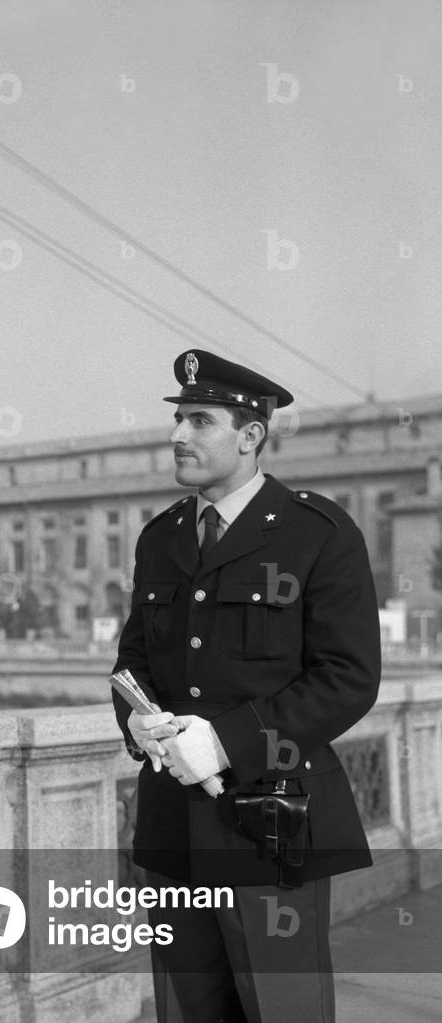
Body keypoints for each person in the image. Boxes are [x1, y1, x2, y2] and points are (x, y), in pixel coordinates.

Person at [111, 349, 380, 1023]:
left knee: (281, 1008)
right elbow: (134, 658)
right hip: (173, 822)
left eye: (199, 421)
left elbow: (348, 677)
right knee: (188, 1009)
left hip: (271, 823)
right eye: (179, 420)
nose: (178, 435)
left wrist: (228, 741)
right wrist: (135, 720)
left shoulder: (316, 532)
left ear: (251, 434)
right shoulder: (161, 537)